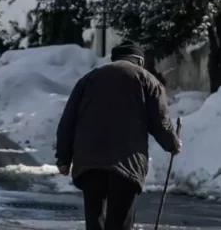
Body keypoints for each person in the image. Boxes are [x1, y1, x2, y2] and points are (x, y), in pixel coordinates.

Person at [55, 41, 182, 230]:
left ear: (114, 59)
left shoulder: (88, 79)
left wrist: (64, 158)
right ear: (139, 60)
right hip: (127, 162)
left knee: (94, 220)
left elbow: (68, 121)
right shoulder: (147, 79)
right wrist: (172, 143)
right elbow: (160, 121)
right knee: (120, 223)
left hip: (90, 161)